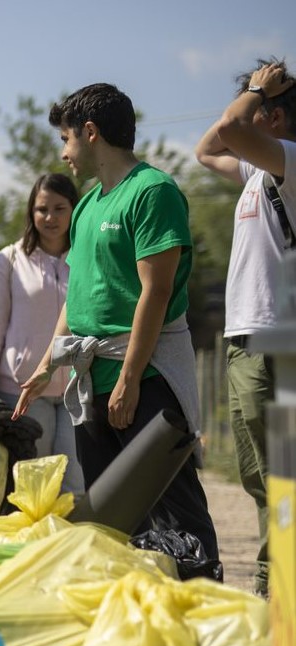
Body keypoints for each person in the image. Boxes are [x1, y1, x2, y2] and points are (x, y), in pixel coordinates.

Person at [17, 83, 219, 562]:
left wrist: (130, 377)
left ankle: (203, 613)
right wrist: (48, 365)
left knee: (175, 512)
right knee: (111, 521)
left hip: (147, 376)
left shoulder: (153, 191)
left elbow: (158, 291)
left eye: (66, 140)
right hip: (93, 380)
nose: (64, 153)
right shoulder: (86, 205)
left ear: (90, 133)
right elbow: (78, 296)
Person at [195, 59, 296, 597]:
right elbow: (207, 149)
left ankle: (276, 582)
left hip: (278, 339)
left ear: (275, 118)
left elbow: (232, 131)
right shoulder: (258, 172)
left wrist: (255, 90)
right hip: (246, 338)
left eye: (259, 107)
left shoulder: (292, 163)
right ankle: (274, 578)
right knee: (260, 476)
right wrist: (254, 93)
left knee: (282, 475)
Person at [0, 173, 85, 495]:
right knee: (32, 486)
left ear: (75, 209)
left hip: (78, 388)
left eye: (60, 208)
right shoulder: (10, 259)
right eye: (42, 209)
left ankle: (68, 546)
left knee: (74, 483)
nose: (50, 218)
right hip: (24, 391)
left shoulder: (87, 257)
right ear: (30, 213)